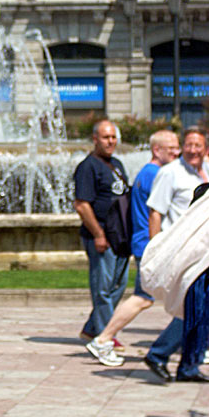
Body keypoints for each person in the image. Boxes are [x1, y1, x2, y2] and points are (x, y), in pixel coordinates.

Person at [85, 130, 180, 367]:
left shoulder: (150, 173)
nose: (178, 153)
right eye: (172, 149)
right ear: (157, 150)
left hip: (148, 244)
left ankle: (193, 346)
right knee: (144, 297)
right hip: (151, 245)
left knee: (183, 296)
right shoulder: (156, 174)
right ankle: (103, 339)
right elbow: (155, 214)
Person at [143, 126, 209, 382]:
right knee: (193, 308)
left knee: (202, 310)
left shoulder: (206, 171)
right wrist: (157, 248)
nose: (193, 150)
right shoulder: (169, 173)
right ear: (183, 146)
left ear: (206, 149)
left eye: (199, 145)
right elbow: (155, 212)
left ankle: (188, 365)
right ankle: (160, 354)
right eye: (189, 144)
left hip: (205, 255)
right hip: (181, 253)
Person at [73, 119, 130, 346]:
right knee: (103, 289)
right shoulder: (87, 167)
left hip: (120, 236)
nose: (111, 142)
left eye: (113, 137)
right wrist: (98, 234)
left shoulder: (116, 164)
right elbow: (82, 204)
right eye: (106, 137)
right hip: (101, 236)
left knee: (120, 285)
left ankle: (91, 328)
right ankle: (106, 336)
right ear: (95, 139)